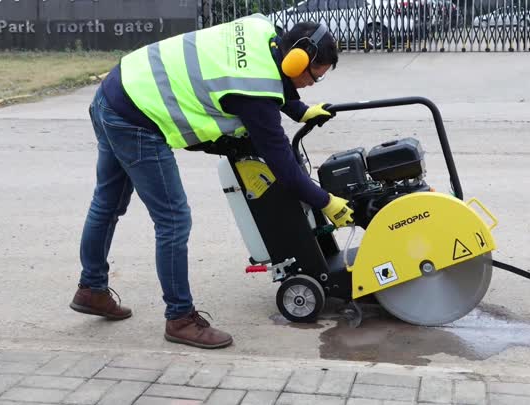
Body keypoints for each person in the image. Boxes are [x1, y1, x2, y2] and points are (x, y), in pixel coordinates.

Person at [69, 14, 355, 349]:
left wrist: (299, 110)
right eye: (313, 77)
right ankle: (180, 319)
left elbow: (274, 77)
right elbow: (286, 171)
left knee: (107, 203)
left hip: (114, 91)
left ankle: (91, 289)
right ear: (296, 60)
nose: (311, 83)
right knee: (173, 219)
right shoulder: (254, 92)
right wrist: (327, 201)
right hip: (135, 119)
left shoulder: (264, 32)